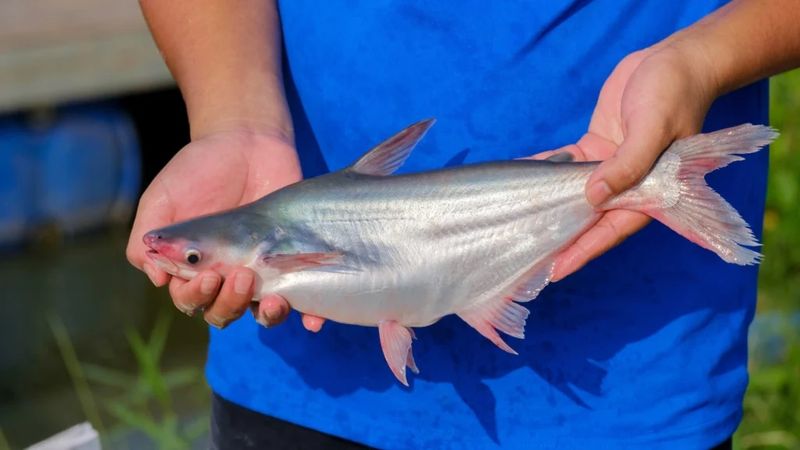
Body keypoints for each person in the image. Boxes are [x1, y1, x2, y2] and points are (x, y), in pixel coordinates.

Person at [127, 0, 800, 448]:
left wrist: (703, 59)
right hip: (292, 394)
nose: (184, 265)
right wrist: (233, 118)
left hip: (635, 387)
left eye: (193, 260)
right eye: (191, 262)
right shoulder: (267, 246)